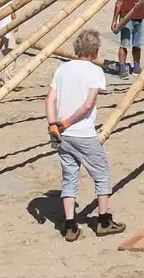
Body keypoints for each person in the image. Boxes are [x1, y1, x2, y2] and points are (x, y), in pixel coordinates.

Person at [48, 29, 121, 241]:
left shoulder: (62, 69)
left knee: (69, 177)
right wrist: (68, 122)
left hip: (63, 135)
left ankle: (70, 226)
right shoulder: (95, 72)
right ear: (95, 50)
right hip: (83, 133)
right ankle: (104, 221)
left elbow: (49, 100)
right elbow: (88, 104)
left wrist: (54, 125)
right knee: (102, 175)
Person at [113, 0, 144, 74]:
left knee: (137, 44)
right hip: (126, 18)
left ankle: (136, 67)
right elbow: (119, 2)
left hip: (140, 17)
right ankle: (122, 68)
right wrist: (115, 20)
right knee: (124, 44)